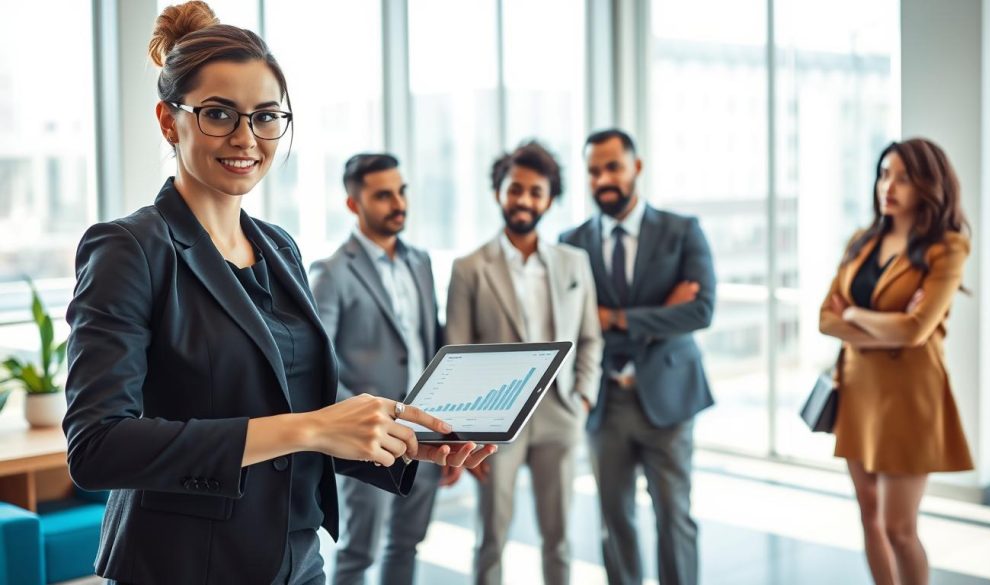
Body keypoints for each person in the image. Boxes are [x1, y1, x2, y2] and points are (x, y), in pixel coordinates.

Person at [61, 3, 493, 584]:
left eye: (266, 117)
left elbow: (295, 403)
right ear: (169, 121)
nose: (246, 137)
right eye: (219, 114)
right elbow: (98, 446)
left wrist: (396, 438)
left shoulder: (279, 248)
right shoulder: (129, 248)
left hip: (295, 558)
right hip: (183, 565)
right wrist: (312, 427)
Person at [559, 128, 716, 585]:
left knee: (674, 517)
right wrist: (662, 311)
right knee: (615, 521)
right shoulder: (571, 242)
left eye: (613, 167)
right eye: (593, 170)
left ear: (637, 168)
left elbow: (701, 310)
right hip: (604, 402)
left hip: (667, 397)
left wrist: (617, 319)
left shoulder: (681, 230)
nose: (603, 178)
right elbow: (572, 322)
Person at [444, 141, 603, 585]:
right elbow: (455, 356)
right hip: (497, 422)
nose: (524, 200)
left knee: (561, 537)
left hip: (561, 413)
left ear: (549, 199)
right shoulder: (469, 268)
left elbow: (591, 338)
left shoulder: (575, 263)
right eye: (516, 189)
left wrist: (584, 398)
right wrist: (466, 440)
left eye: (536, 192)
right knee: (491, 536)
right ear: (499, 192)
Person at [819, 138, 973, 585]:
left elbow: (916, 331)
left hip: (909, 396)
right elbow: (824, 319)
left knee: (898, 528)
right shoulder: (861, 242)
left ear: (930, 184)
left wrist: (855, 315)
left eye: (904, 177)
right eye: (885, 174)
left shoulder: (948, 247)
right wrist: (870, 322)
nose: (889, 185)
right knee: (868, 514)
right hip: (859, 389)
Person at [309, 153, 444, 585]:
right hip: (369, 436)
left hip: (422, 432)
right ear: (354, 204)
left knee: (407, 543)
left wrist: (447, 429)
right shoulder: (331, 272)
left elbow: (430, 344)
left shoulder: (420, 261)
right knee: (357, 553)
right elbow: (317, 362)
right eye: (383, 195)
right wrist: (359, 421)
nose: (397, 203)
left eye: (401, 191)